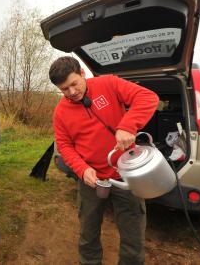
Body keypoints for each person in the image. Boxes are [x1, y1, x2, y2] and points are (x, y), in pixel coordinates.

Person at [49, 56, 159, 265]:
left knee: (133, 235)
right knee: (88, 232)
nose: (72, 92)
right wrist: (82, 170)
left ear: (82, 73)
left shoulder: (108, 83)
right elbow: (65, 146)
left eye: (74, 84)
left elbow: (148, 98)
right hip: (92, 180)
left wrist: (128, 125)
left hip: (126, 176)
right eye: (64, 89)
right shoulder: (60, 113)